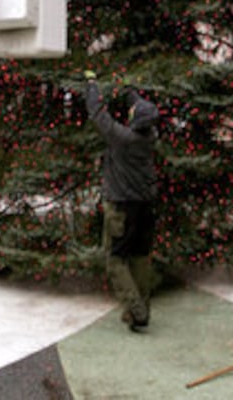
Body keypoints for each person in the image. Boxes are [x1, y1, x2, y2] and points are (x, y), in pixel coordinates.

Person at [84, 72, 159, 331]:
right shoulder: (150, 136)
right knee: (140, 258)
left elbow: (97, 113)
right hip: (146, 208)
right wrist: (128, 89)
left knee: (115, 259)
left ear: (133, 120)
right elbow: (139, 106)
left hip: (122, 208)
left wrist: (92, 85)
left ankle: (138, 312)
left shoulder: (122, 139)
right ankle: (139, 313)